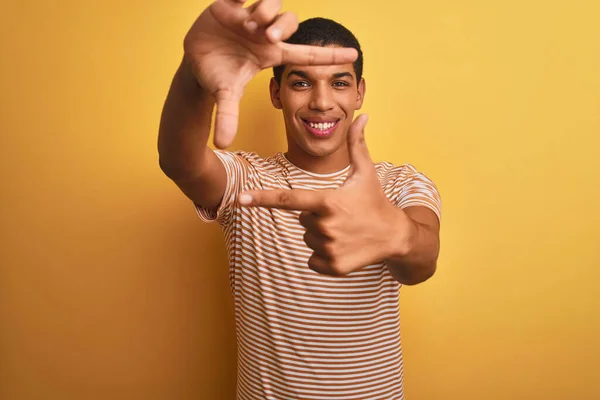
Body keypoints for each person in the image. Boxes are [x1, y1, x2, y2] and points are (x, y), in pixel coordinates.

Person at [158, 0, 442, 398]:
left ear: (359, 93)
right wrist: (194, 75)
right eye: (301, 82)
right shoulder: (250, 180)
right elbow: (180, 162)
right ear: (276, 92)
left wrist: (398, 234)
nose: (322, 102)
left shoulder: (397, 183)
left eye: (340, 83)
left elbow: (423, 260)